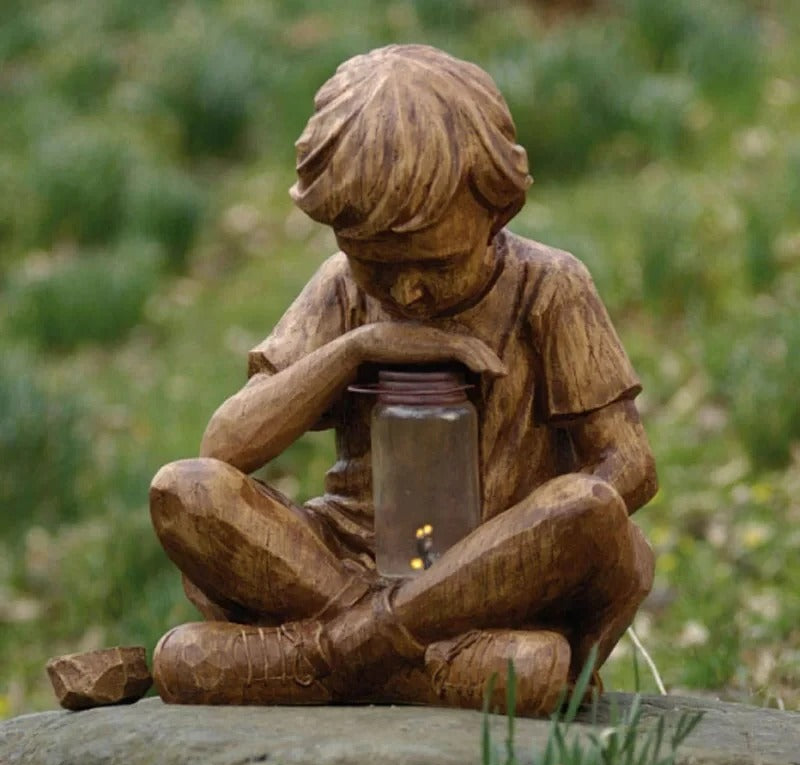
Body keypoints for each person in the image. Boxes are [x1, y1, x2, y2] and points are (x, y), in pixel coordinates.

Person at [149, 44, 657, 715]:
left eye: (437, 264)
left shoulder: (547, 286)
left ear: (497, 211)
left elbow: (630, 466)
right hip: (340, 573)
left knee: (584, 509)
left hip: (486, 580)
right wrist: (358, 350)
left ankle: (321, 659)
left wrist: (504, 554)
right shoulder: (340, 292)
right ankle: (388, 652)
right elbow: (225, 446)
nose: (409, 291)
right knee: (184, 489)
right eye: (375, 267)